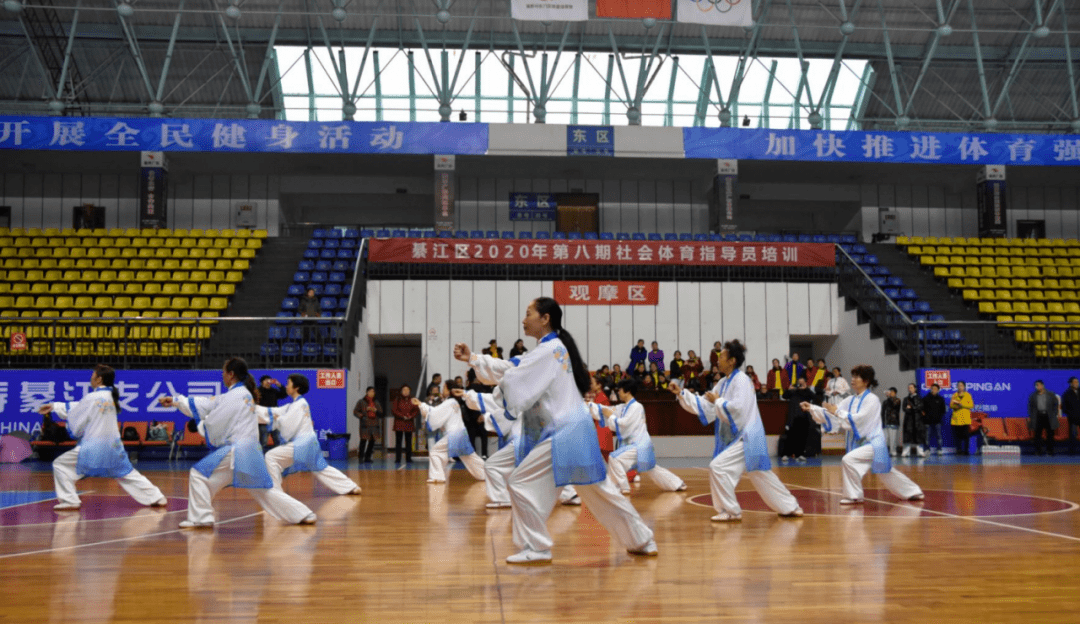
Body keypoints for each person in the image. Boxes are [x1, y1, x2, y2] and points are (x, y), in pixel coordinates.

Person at [458, 297, 657, 563]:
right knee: (601, 492)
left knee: (520, 482)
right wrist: (473, 358)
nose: (523, 319)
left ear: (545, 318)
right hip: (572, 430)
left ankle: (537, 547)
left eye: (528, 313)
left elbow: (515, 377)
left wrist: (478, 364)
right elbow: (514, 369)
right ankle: (642, 539)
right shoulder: (549, 350)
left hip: (564, 433)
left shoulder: (549, 350)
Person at [159, 357, 316, 527]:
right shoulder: (241, 395)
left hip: (237, 450)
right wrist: (176, 401)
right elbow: (210, 405)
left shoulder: (236, 395)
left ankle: (201, 518)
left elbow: (213, 415)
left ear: (231, 374)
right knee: (263, 490)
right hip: (250, 451)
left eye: (224, 372)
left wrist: (201, 422)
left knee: (199, 474)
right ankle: (303, 514)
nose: (222, 375)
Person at [672, 340, 803, 522]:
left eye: (722, 357)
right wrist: (682, 393)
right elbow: (706, 404)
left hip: (747, 435)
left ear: (732, 360)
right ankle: (790, 506)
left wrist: (718, 401)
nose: (718, 361)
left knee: (718, 467)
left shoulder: (742, 380)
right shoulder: (723, 383)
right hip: (742, 436)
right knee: (760, 473)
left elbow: (738, 409)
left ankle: (731, 511)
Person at [39, 364, 167, 512]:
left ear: (99, 379)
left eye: (92, 376)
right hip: (113, 446)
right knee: (127, 473)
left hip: (93, 446)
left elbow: (79, 412)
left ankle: (69, 500)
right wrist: (54, 406)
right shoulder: (110, 397)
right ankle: (157, 497)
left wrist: (55, 407)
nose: (91, 378)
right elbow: (82, 407)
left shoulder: (93, 397)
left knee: (60, 465)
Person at [802, 365, 924, 505]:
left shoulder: (872, 400)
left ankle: (854, 495)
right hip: (861, 442)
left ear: (866, 381)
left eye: (856, 377)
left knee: (849, 460)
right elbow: (832, 412)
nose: (852, 380)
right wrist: (812, 407)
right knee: (885, 471)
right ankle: (913, 491)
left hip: (873, 442)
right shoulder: (850, 400)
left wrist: (837, 412)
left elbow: (860, 419)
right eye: (852, 376)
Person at [255, 373, 362, 495]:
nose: (286, 386)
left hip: (302, 444)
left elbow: (287, 422)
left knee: (271, 456)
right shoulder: (296, 404)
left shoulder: (299, 404)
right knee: (322, 469)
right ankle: (351, 487)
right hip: (309, 444)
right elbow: (275, 411)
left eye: (289, 383)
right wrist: (253, 409)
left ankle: (275, 492)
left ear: (297, 388)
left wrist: (277, 419)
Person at [591, 378, 686, 495]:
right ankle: (677, 483)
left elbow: (623, 424)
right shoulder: (623, 407)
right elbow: (606, 410)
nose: (618, 393)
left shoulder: (637, 407)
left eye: (620, 390)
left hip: (639, 446)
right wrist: (588, 405)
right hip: (636, 446)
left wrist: (611, 417)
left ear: (627, 391)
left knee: (614, 458)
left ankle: (623, 487)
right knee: (652, 468)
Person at [413, 382, 486, 484]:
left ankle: (438, 477)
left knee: (435, 452)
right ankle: (487, 474)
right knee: (469, 457)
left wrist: (421, 405)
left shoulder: (450, 402)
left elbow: (434, 413)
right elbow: (439, 413)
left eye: (444, 387)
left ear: (449, 390)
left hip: (455, 434)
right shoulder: (453, 402)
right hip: (460, 433)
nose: (442, 389)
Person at [780, 378, 816, 462]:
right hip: (792, 417)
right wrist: (789, 389)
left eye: (802, 383)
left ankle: (799, 454)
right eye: (799, 383)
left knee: (802, 437)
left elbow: (814, 396)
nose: (800, 384)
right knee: (790, 436)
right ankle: (786, 454)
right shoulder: (793, 391)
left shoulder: (807, 392)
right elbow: (784, 396)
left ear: (805, 383)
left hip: (803, 417)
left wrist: (806, 388)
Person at [1028, 380, 1060, 456]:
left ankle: (1050, 451)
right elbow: (1030, 407)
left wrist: (1054, 413)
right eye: (1036, 385)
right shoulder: (1033, 396)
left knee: (1050, 435)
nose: (1037, 387)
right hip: (1038, 416)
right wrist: (1031, 416)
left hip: (1048, 416)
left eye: (1038, 385)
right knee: (1037, 435)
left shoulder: (1050, 394)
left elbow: (1055, 404)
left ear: (1042, 385)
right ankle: (1038, 451)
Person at [464, 369, 489, 459]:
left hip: (471, 417)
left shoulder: (468, 389)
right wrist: (482, 415)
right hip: (480, 415)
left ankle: (473, 454)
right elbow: (484, 403)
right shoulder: (481, 389)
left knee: (472, 436)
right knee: (483, 436)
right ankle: (484, 454)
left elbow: (468, 404)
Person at [353, 386, 382, 462]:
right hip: (365, 424)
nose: (372, 393)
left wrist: (375, 410)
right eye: (371, 391)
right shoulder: (361, 402)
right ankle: (361, 457)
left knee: (372, 442)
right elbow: (355, 412)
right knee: (363, 441)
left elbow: (381, 412)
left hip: (374, 424)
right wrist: (363, 413)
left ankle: (367, 457)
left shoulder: (376, 402)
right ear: (367, 392)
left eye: (373, 392)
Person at [391, 384, 418, 463]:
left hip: (409, 423)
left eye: (407, 390)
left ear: (410, 391)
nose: (406, 392)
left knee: (409, 442)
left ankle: (408, 458)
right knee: (398, 442)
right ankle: (398, 458)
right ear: (401, 391)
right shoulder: (397, 399)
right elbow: (394, 410)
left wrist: (410, 416)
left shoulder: (413, 400)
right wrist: (402, 416)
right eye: (404, 390)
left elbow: (416, 410)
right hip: (399, 423)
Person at [257, 376, 287, 447]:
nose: (268, 381)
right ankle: (261, 457)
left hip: (274, 419)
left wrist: (279, 385)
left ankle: (278, 456)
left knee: (278, 440)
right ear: (262, 382)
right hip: (263, 419)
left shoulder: (274, 391)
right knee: (263, 441)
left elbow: (284, 394)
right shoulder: (258, 391)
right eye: (266, 380)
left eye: (269, 380)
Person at [901, 383, 927, 457]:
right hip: (908, 420)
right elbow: (904, 409)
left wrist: (911, 408)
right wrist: (913, 408)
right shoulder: (906, 399)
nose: (910, 389)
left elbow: (920, 407)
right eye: (909, 387)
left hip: (917, 420)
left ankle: (920, 452)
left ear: (915, 389)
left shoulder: (919, 398)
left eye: (912, 387)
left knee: (918, 436)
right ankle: (906, 452)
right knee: (908, 436)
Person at [950, 381, 974, 456]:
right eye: (959, 386)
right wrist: (957, 406)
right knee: (958, 437)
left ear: (964, 387)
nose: (960, 387)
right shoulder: (954, 395)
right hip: (956, 420)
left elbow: (971, 405)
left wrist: (962, 405)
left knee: (966, 436)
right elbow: (951, 405)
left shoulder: (968, 395)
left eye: (961, 385)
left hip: (965, 419)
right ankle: (959, 451)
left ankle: (966, 451)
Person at [923, 383, 946, 455]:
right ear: (931, 389)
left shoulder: (941, 399)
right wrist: (926, 417)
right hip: (927, 422)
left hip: (937, 421)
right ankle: (927, 450)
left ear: (938, 390)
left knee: (939, 436)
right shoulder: (925, 398)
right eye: (933, 389)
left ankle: (939, 450)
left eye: (936, 389)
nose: (934, 390)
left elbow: (943, 410)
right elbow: (922, 410)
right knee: (927, 437)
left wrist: (939, 417)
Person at [882, 387, 902, 456]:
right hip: (886, 422)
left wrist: (889, 398)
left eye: (892, 392)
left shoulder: (897, 400)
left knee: (893, 438)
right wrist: (882, 422)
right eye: (890, 392)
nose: (890, 393)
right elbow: (882, 412)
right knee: (885, 438)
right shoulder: (885, 401)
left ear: (895, 393)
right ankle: (884, 452)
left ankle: (893, 451)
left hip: (893, 421)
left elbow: (894, 405)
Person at [1063, 377, 1080, 455]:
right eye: (1075, 382)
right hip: (1072, 418)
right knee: (1073, 435)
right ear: (1071, 383)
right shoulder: (1067, 393)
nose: (1076, 383)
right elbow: (1064, 407)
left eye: (1077, 382)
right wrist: (1071, 414)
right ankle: (1072, 451)